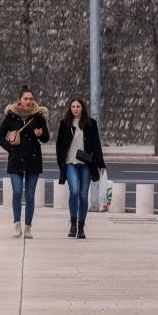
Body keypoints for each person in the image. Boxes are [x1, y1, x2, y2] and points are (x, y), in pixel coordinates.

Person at [0, 87, 49, 239]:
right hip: (16, 159)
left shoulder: (39, 116)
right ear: (19, 100)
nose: (29, 102)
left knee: (30, 195)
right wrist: (9, 148)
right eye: (26, 99)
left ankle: (28, 227)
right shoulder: (11, 116)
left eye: (31, 99)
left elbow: (46, 138)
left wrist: (40, 134)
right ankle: (17, 224)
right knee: (17, 192)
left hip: (33, 159)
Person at [55, 97, 106, 239]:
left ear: (82, 108)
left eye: (78, 106)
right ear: (70, 108)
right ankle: (72, 224)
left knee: (83, 195)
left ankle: (81, 228)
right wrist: (61, 162)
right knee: (75, 191)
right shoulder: (64, 124)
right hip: (70, 162)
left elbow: (96, 145)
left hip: (85, 164)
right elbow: (59, 144)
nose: (75, 109)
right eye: (73, 107)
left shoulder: (90, 124)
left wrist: (101, 164)